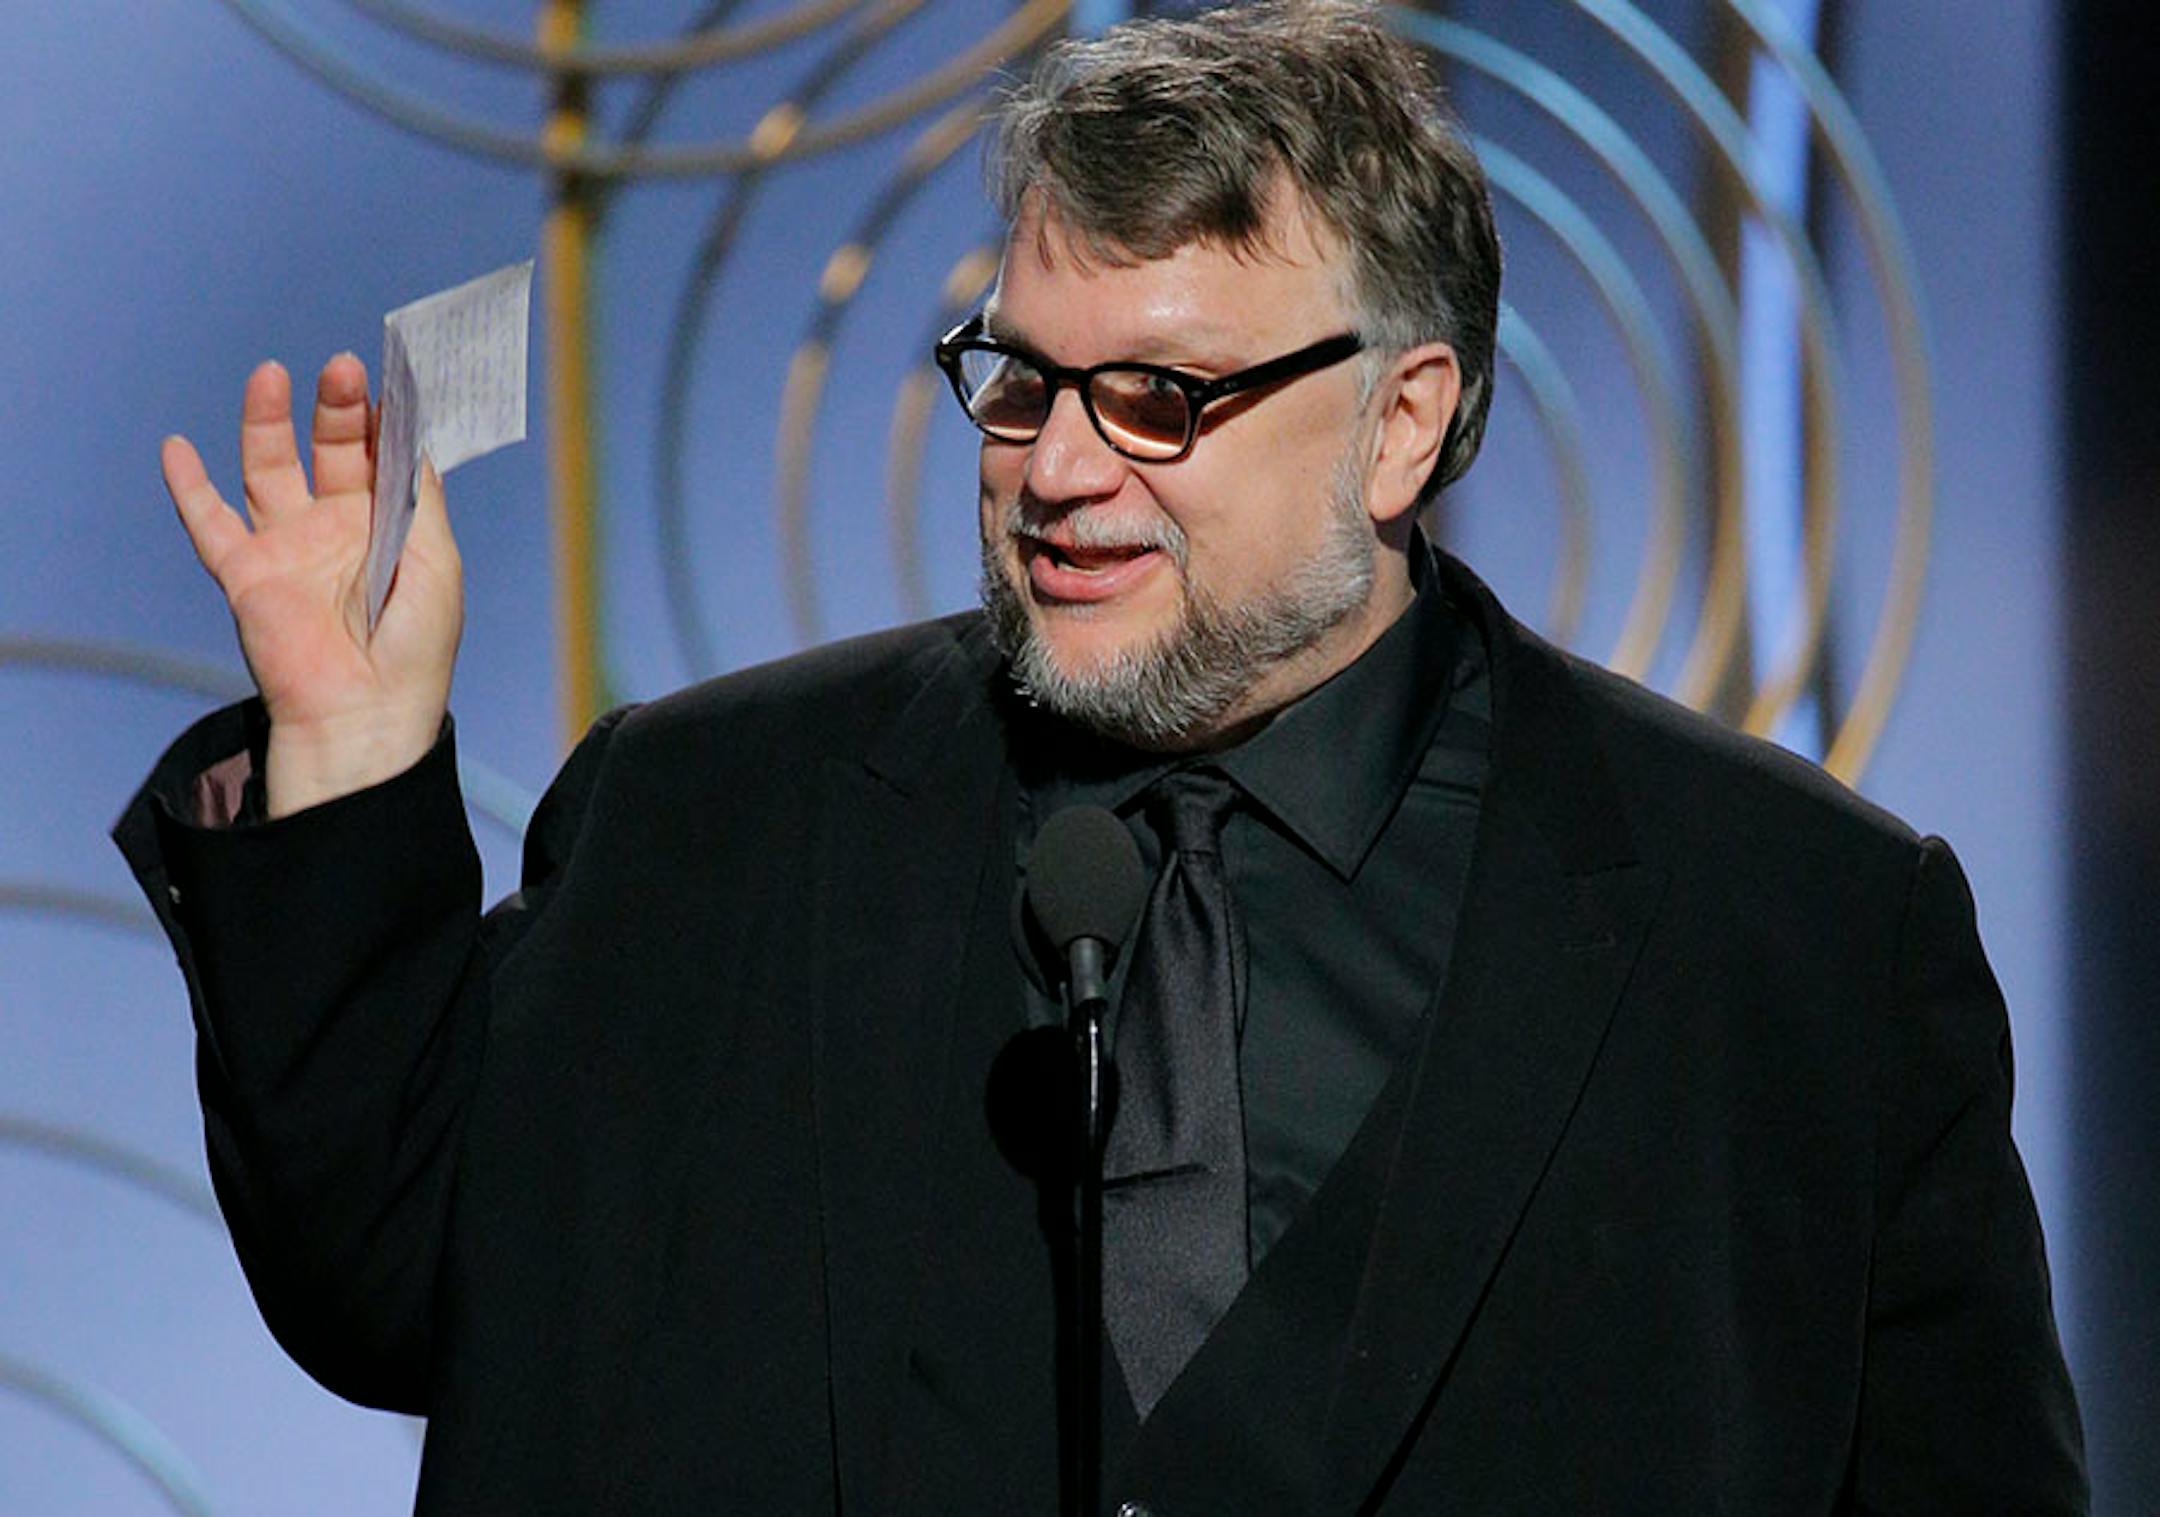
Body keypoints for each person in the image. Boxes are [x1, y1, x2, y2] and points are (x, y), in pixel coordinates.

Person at [117, 2, 2085, 1511]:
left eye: (1158, 397)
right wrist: (354, 758)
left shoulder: (1802, 932)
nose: (1058, 469)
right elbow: (403, 1284)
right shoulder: (712, 817)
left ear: (1405, 424)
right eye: (1022, 378)